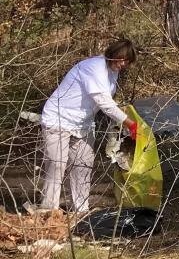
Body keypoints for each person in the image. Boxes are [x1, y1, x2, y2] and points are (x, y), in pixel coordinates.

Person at [40, 40, 138, 213]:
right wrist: (130, 123)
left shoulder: (112, 72)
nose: (123, 64)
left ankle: (81, 211)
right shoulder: (94, 67)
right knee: (57, 166)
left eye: (126, 61)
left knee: (83, 166)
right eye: (121, 59)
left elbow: (108, 100)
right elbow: (104, 103)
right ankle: (49, 212)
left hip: (82, 124)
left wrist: (125, 116)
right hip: (58, 119)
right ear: (112, 54)